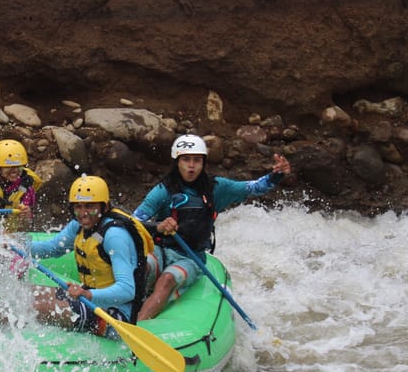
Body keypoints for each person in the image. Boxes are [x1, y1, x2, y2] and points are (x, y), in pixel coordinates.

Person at [133, 134, 291, 321]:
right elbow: (134, 223)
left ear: (204, 163)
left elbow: (253, 188)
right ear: (177, 162)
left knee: (167, 280)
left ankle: (137, 326)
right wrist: (158, 226)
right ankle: (121, 310)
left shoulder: (217, 188)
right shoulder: (163, 190)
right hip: (161, 250)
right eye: (186, 160)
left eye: (197, 160)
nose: (191, 166)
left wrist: (276, 175)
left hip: (191, 258)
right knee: (142, 267)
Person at [29, 175, 153, 339]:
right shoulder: (78, 225)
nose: (83, 213)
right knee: (26, 293)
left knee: (35, 306)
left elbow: (127, 290)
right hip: (89, 298)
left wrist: (89, 295)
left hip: (114, 314)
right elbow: (52, 248)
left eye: (90, 206)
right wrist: (13, 246)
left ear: (104, 206)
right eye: (78, 207)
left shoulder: (114, 236)